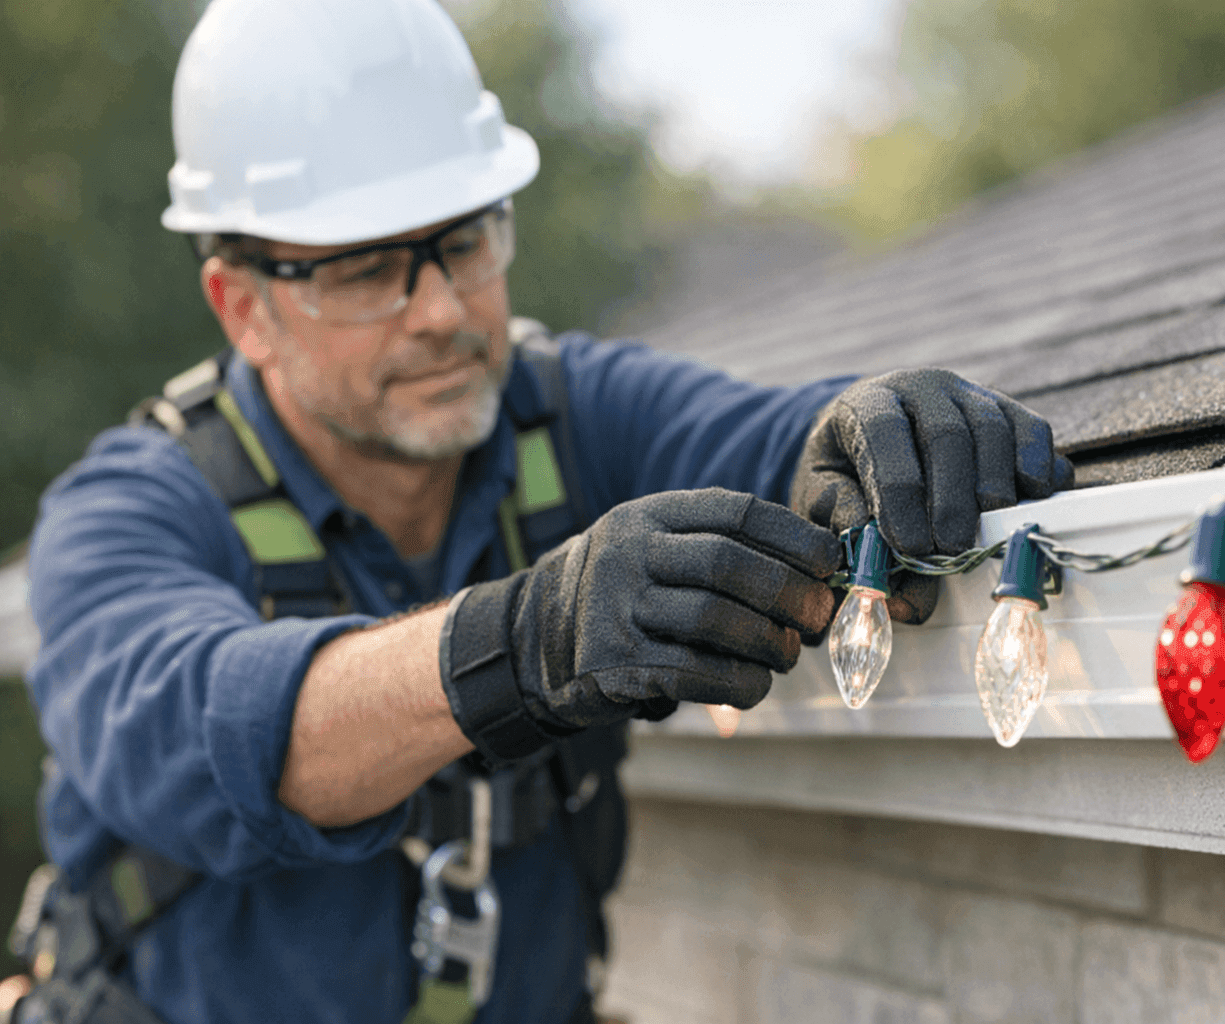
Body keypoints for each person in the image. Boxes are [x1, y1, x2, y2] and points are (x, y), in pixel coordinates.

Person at [3, 0, 1072, 1021]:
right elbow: (229, 731)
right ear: (244, 306)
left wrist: (872, 427)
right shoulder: (126, 516)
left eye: (463, 244)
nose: (441, 312)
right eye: (369, 269)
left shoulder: (562, 415)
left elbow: (776, 449)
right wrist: (524, 642)